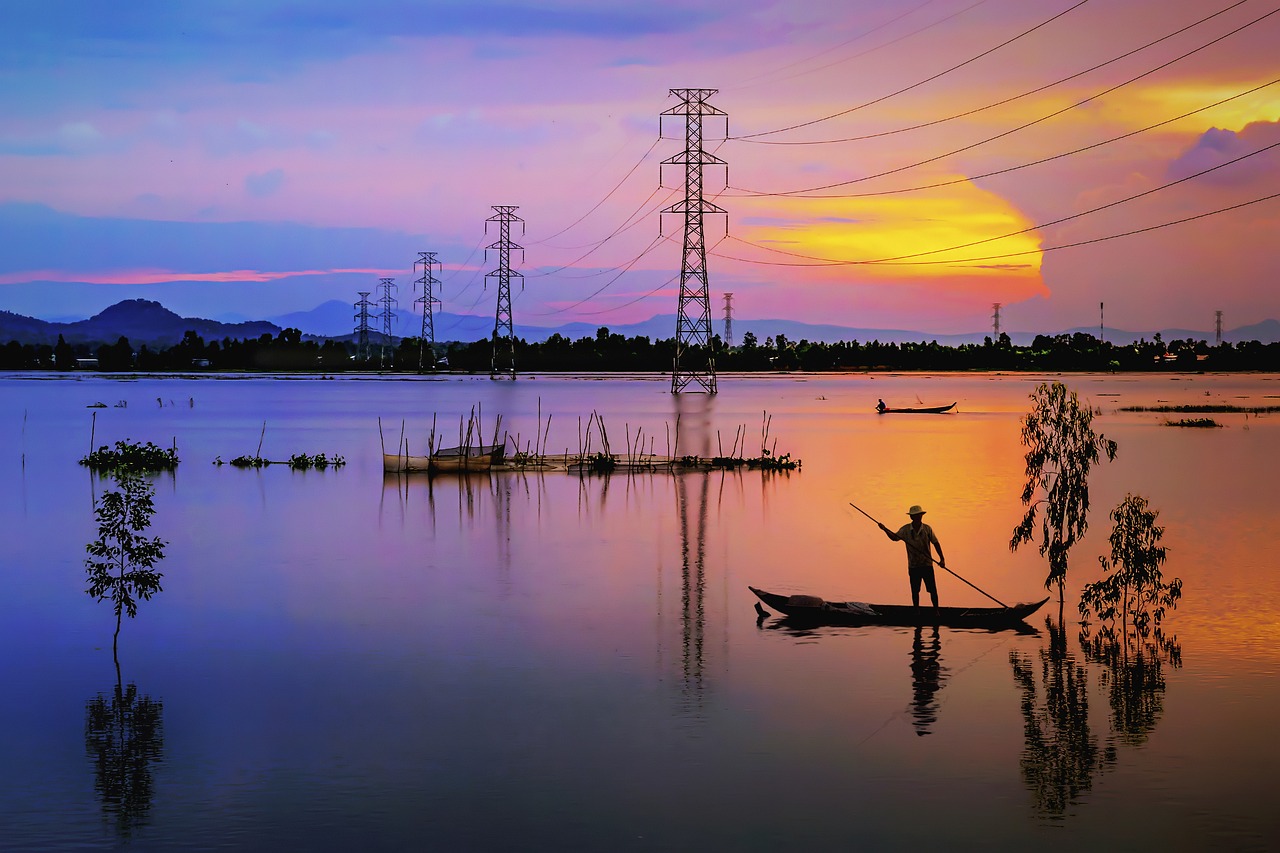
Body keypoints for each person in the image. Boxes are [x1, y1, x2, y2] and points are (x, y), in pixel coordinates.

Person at [878, 504, 945, 616]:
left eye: (919, 515)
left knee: (932, 590)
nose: (918, 517)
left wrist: (942, 559)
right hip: (913, 565)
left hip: (927, 564)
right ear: (911, 517)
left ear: (921, 516)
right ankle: (916, 612)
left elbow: (936, 543)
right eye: (915, 516)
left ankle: (936, 611)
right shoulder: (905, 530)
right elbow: (895, 538)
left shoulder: (927, 529)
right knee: (915, 591)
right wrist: (884, 529)